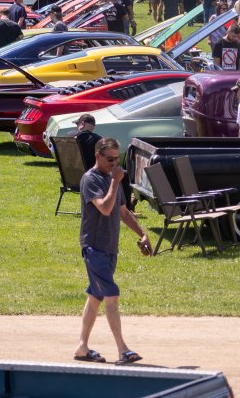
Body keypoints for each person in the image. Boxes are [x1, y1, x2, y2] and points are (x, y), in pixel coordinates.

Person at [73, 137, 152, 366]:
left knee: (95, 297)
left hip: (109, 248)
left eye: (117, 159)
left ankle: (81, 347)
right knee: (111, 296)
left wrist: (142, 233)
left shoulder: (110, 178)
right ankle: (123, 350)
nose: (114, 163)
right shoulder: (91, 180)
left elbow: (123, 212)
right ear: (98, 156)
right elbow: (106, 209)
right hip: (94, 247)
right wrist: (116, 182)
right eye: (110, 159)